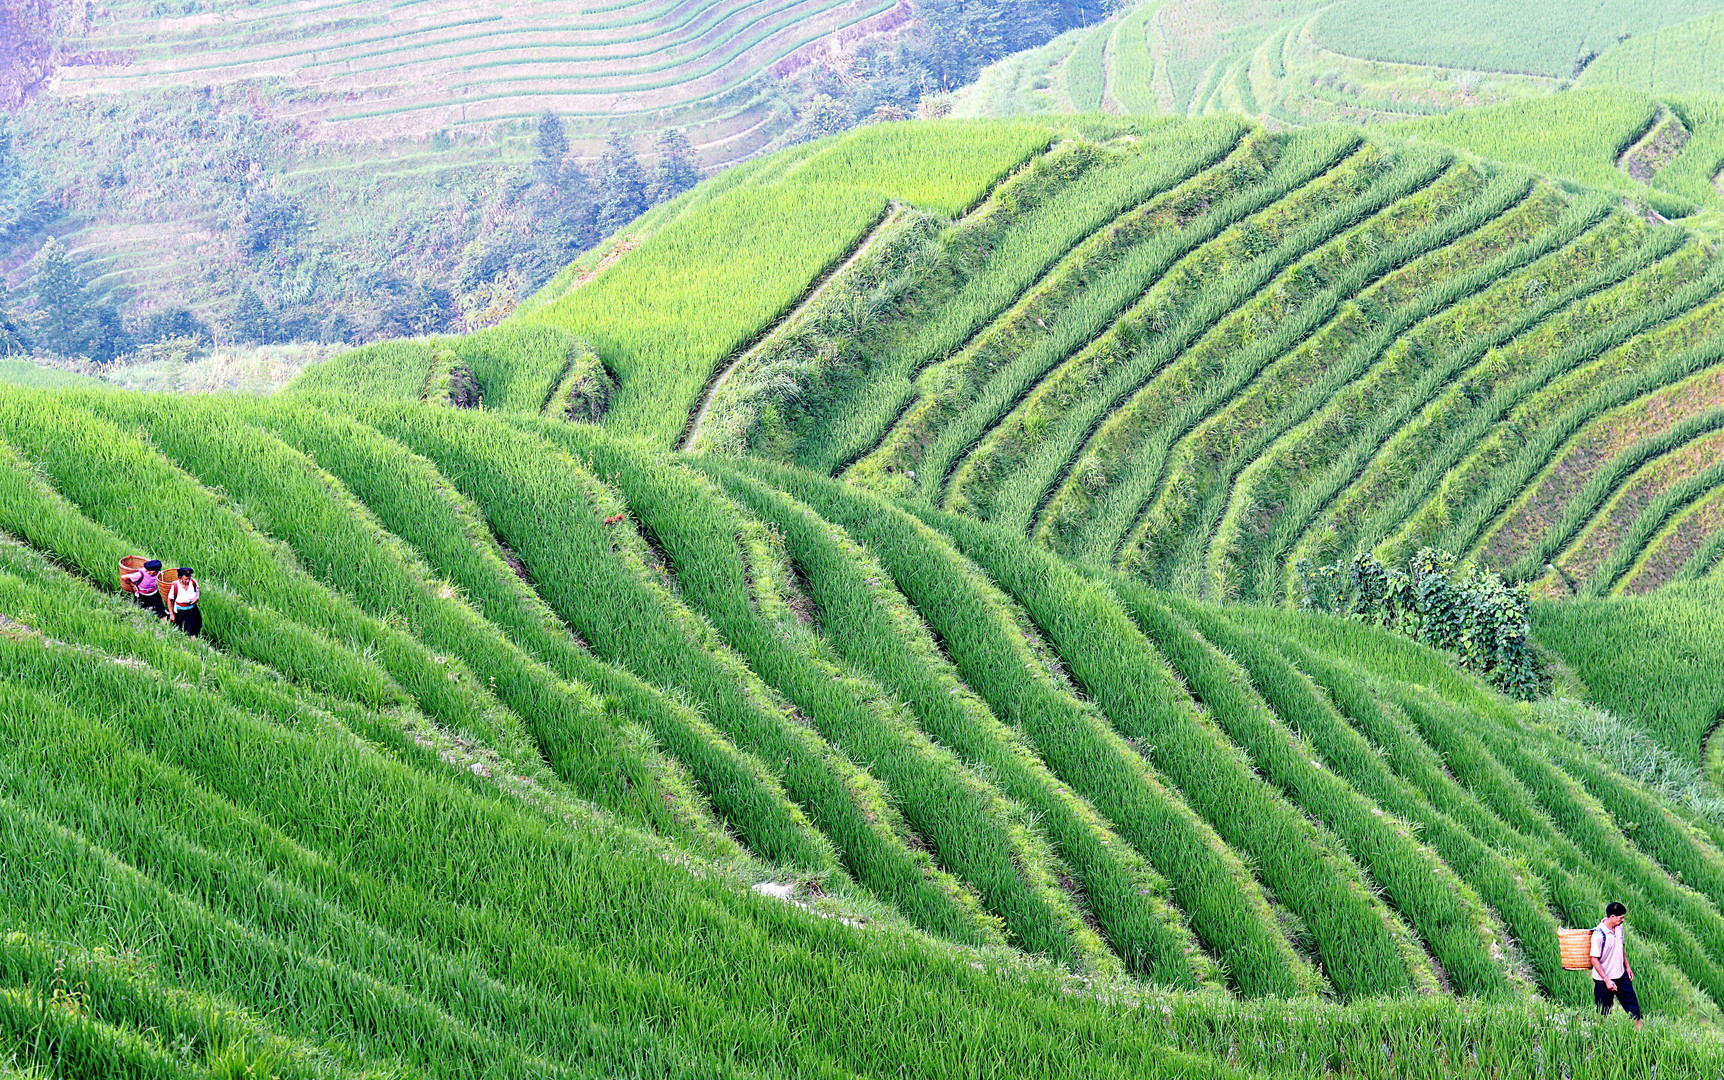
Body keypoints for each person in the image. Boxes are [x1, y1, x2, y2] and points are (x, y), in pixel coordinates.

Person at [1592, 901, 1642, 1029]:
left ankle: (1640, 1035)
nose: (1623, 920)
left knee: (1633, 1005)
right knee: (1603, 1009)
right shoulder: (1598, 934)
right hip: (1603, 979)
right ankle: (1599, 1033)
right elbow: (1594, 960)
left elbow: (1621, 948)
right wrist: (1606, 980)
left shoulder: (1620, 928)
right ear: (1612, 916)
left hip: (1620, 975)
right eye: (1621, 918)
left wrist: (1627, 967)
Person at [166, 567, 201, 638]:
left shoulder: (193, 582)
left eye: (189, 578)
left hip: (193, 609)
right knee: (188, 630)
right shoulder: (175, 586)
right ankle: (194, 644)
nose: (188, 581)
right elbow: (169, 600)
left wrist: (197, 597)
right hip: (181, 611)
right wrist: (171, 614)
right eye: (185, 579)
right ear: (180, 578)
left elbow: (198, 591)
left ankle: (197, 639)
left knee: (197, 627)